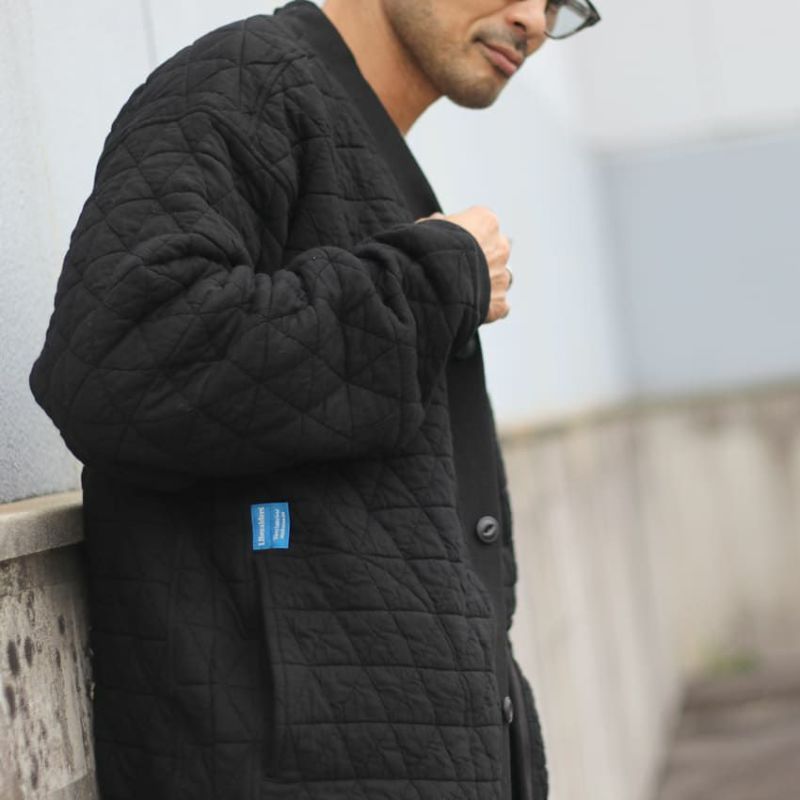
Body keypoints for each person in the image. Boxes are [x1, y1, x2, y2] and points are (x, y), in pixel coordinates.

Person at [30, 1, 600, 798]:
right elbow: (120, 363)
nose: (534, 21)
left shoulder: (359, 141)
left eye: (561, 4)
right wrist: (431, 281)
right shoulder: (243, 84)